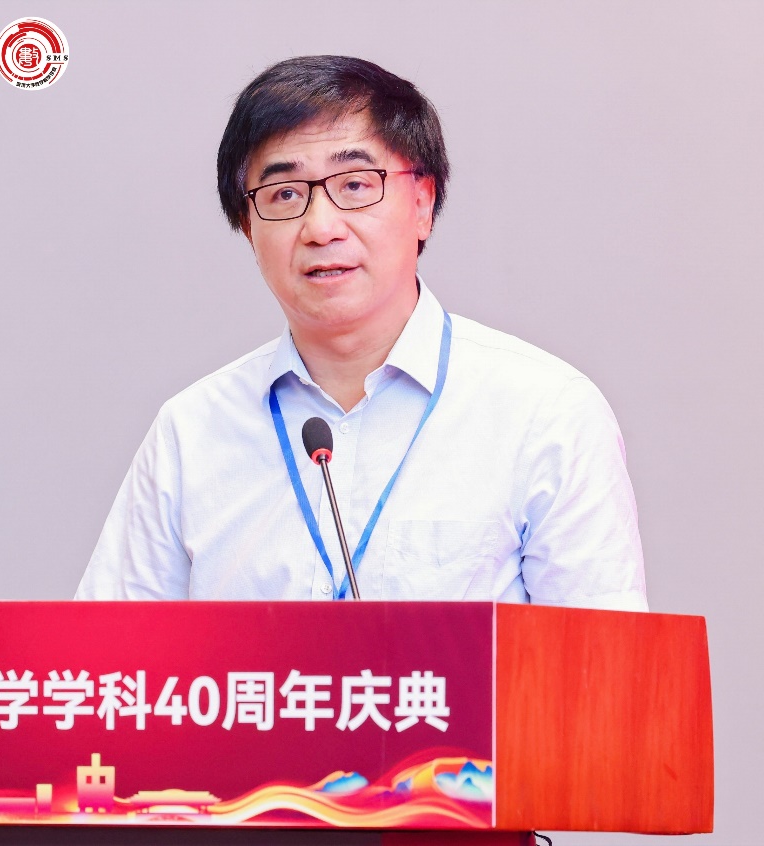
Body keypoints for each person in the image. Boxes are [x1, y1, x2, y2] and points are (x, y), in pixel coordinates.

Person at [75, 56, 647, 609]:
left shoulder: (546, 413)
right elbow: (107, 658)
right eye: (285, 194)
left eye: (354, 185)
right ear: (247, 227)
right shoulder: (192, 431)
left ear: (422, 202)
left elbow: (601, 662)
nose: (321, 227)